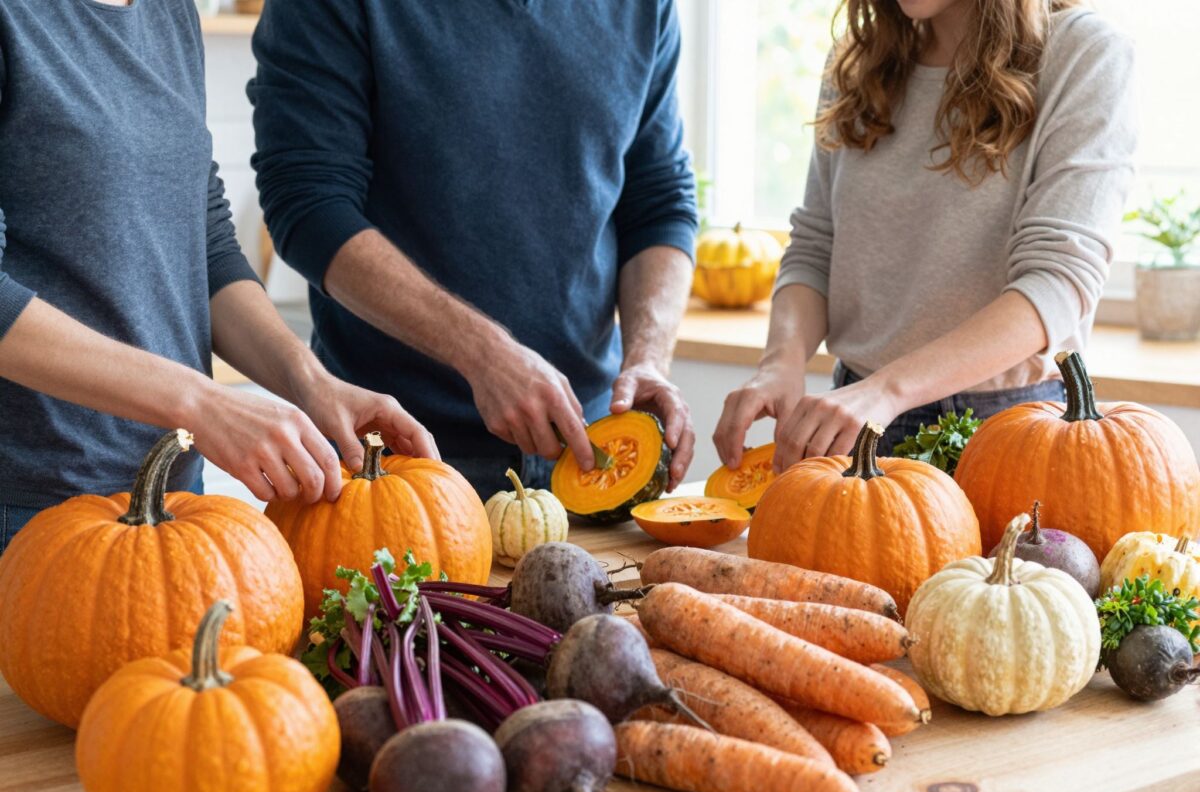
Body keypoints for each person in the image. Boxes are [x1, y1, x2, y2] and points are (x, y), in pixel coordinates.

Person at [0, 0, 436, 553]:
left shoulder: (168, 11)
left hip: (174, 499)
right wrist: (201, 404)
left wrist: (311, 383)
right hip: (31, 512)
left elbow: (203, 244)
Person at [248, 0, 698, 497]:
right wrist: (483, 354)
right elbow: (310, 207)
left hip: (592, 451)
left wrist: (648, 359)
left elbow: (660, 205)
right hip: (396, 458)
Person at [714, 0, 1136, 472]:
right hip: (854, 412)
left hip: (1005, 429)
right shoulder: (859, 60)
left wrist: (888, 390)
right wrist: (781, 364)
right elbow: (817, 246)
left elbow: (1056, 284)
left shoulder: (1084, 51)